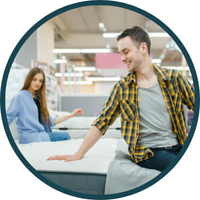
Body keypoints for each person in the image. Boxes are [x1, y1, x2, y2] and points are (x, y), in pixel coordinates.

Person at [47, 26, 195, 172]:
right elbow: (101, 122)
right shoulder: (122, 88)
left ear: (143, 48)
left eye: (126, 52)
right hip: (149, 152)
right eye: (120, 53)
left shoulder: (174, 79)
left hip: (180, 145)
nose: (122, 58)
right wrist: (78, 153)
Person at [7, 67, 83, 144]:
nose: (37, 83)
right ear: (29, 79)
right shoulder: (20, 97)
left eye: (40, 81)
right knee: (65, 136)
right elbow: (8, 117)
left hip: (41, 134)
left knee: (65, 136)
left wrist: (71, 115)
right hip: (29, 137)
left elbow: (50, 121)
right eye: (34, 79)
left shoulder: (39, 98)